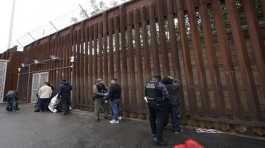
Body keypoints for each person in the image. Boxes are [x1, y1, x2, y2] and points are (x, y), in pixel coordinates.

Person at [144, 75, 169, 146]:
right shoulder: (160, 85)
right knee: (160, 121)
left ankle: (154, 133)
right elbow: (166, 96)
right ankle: (159, 139)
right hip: (159, 104)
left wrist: (148, 101)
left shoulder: (147, 84)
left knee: (152, 118)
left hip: (150, 104)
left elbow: (145, 95)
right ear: (159, 79)